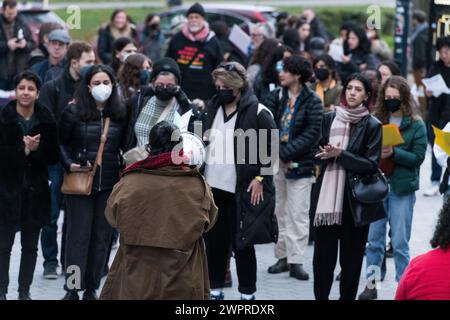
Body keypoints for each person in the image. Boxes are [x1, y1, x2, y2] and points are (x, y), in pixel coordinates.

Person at [100, 121, 218, 300]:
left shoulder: (129, 182)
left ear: (149, 147)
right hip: (181, 277)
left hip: (136, 277)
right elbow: (209, 221)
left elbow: (112, 216)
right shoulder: (197, 185)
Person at [199, 62, 278, 300]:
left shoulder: (258, 112)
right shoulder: (211, 108)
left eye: (225, 86)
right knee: (215, 242)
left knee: (243, 244)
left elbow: (271, 148)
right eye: (218, 85)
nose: (220, 89)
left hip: (242, 189)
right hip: (213, 187)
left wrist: (260, 178)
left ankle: (247, 293)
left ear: (238, 86)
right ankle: (215, 289)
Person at [312, 73, 384, 300]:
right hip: (327, 199)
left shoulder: (372, 125)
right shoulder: (329, 118)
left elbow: (371, 165)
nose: (352, 93)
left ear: (367, 96)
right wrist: (322, 155)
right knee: (323, 259)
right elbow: (315, 152)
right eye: (350, 88)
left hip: (354, 201)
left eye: (358, 90)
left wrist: (340, 155)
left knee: (351, 261)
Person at [59, 65, 126, 300]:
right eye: (96, 83)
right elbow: (61, 144)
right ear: (87, 86)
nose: (102, 88)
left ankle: (91, 287)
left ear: (113, 85)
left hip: (108, 185)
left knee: (102, 239)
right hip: (79, 185)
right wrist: (70, 163)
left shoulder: (120, 113)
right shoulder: (73, 111)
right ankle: (72, 287)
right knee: (77, 238)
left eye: (106, 83)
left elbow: (125, 147)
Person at [359, 76, 427, 300]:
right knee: (374, 240)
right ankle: (371, 284)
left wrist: (394, 153)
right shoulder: (375, 119)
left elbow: (418, 157)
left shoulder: (415, 124)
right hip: (377, 186)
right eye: (387, 97)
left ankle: (404, 286)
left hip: (402, 189)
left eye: (395, 98)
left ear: (404, 98)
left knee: (399, 242)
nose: (390, 101)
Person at [38, 42, 96, 279]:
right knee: (51, 214)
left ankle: (67, 261)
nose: (93, 66)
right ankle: (50, 261)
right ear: (74, 63)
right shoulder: (52, 87)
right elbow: (47, 126)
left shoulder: (90, 88)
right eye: (88, 62)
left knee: (75, 216)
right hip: (55, 162)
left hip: (79, 162)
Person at [263, 55, 323, 280]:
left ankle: (296, 260)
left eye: (286, 70)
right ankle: (282, 257)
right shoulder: (275, 97)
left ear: (297, 74)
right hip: (277, 163)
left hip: (302, 164)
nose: (281, 74)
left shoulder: (312, 101)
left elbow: (311, 134)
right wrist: (278, 153)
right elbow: (266, 125)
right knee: (279, 211)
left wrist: (287, 153)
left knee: (298, 212)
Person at [0, 71, 59, 300]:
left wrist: (37, 151)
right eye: (22, 88)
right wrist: (22, 151)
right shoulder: (4, 117)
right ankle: (2, 290)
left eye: (30, 89)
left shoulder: (46, 119)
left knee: (30, 246)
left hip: (36, 192)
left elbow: (53, 156)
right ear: (16, 91)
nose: (26, 92)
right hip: (7, 192)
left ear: (38, 93)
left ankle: (24, 291)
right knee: (4, 246)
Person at [123, 57, 197, 154]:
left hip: (165, 166)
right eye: (160, 85)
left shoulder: (185, 109)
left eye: (170, 85)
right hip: (136, 165)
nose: (165, 88)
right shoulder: (140, 101)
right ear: (153, 83)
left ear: (177, 86)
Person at [166, 2, 223, 101]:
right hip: (180, 91)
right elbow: (168, 61)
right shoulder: (177, 38)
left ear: (203, 19)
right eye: (191, 17)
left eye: (197, 17)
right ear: (187, 19)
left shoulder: (212, 41)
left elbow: (219, 67)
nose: (193, 20)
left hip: (205, 94)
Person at [395, 199, 450, 300]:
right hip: (376, 194)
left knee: (399, 245)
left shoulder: (417, 264)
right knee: (374, 244)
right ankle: (372, 285)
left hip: (400, 191)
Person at [423, 36, 450, 197]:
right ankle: (435, 180)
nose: (444, 55)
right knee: (436, 147)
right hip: (437, 114)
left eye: (447, 51)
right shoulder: (435, 67)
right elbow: (429, 87)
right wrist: (429, 92)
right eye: (442, 52)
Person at [0, 0, 35, 91]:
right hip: (1, 74)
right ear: (3, 10)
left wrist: (25, 45)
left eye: (14, 13)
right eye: (9, 13)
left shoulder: (22, 23)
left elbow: (32, 43)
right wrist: (6, 46)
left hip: (18, 73)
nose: (12, 16)